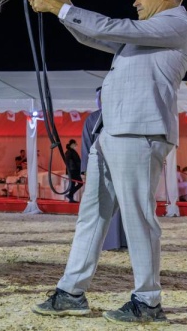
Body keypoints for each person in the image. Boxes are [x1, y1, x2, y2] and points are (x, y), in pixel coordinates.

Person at [28, 0, 187, 324]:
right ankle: (71, 292)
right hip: (114, 131)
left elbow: (111, 27)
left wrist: (58, 9)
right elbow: (96, 35)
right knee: (91, 216)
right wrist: (66, 3)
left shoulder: (179, 24)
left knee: (138, 217)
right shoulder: (143, 35)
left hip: (140, 130)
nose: (135, 1)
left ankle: (148, 300)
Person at [81, 87, 127, 251]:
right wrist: (85, 171)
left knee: (124, 206)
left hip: (122, 166)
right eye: (98, 97)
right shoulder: (93, 119)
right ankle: (105, 242)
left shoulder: (123, 115)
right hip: (99, 166)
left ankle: (124, 241)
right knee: (102, 205)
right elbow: (87, 145)